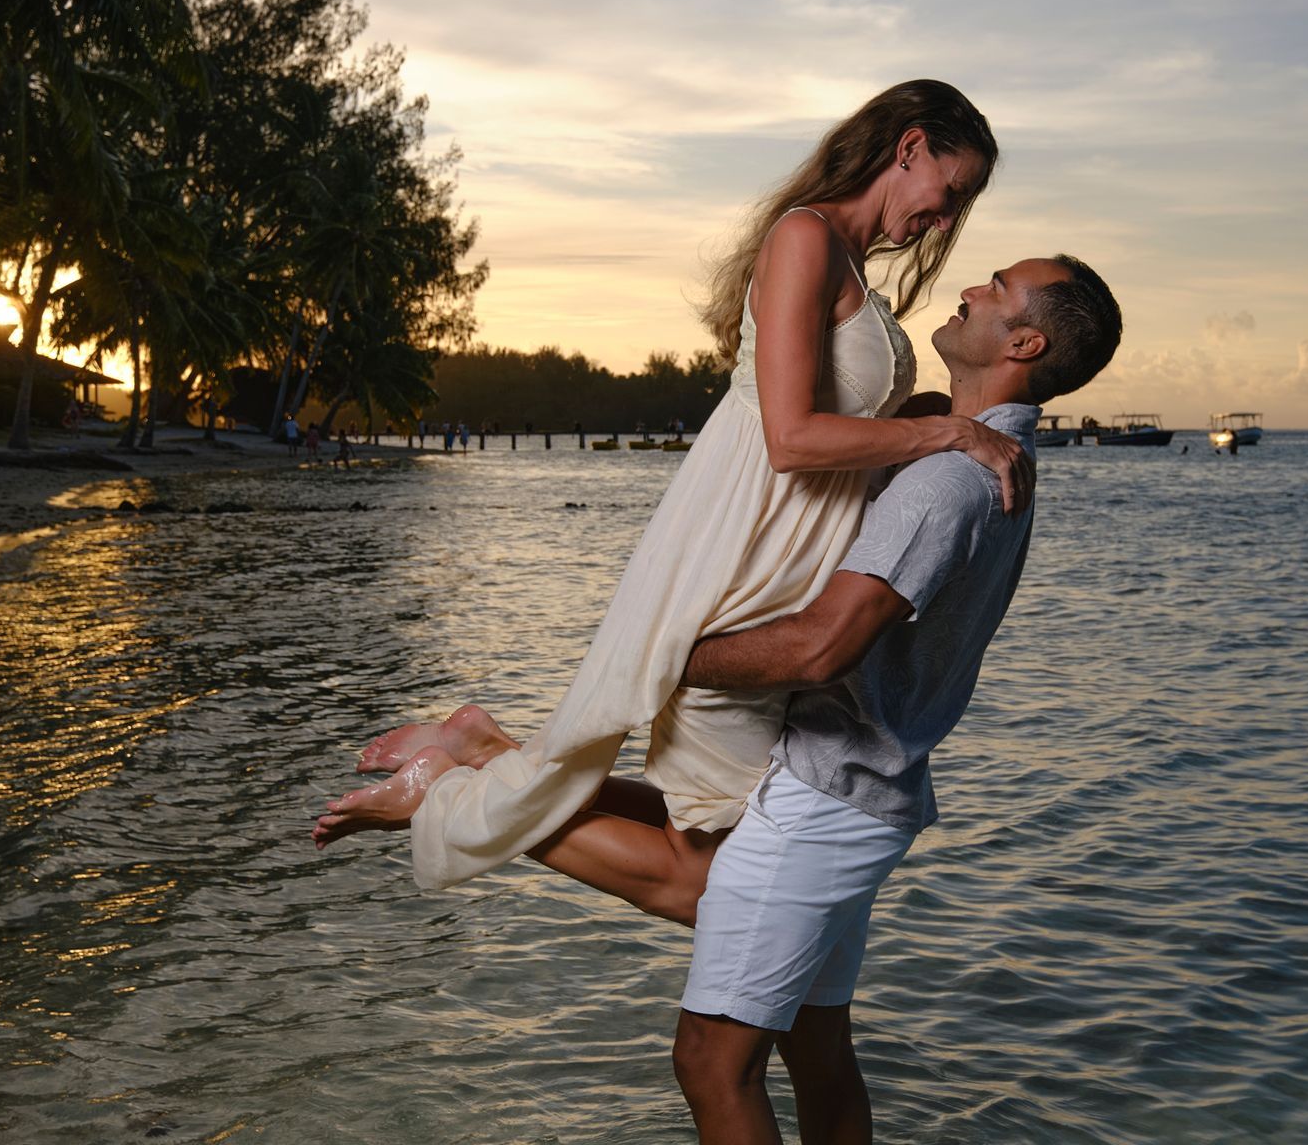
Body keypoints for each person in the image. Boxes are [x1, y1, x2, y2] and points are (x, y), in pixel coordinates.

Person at [322, 255, 1122, 1143]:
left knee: (710, 1055)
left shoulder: (946, 480)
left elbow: (821, 647)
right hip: (862, 781)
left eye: (997, 288)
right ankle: (482, 759)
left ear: (1024, 341)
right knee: (816, 1048)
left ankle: (465, 775)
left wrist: (669, 657)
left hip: (828, 791)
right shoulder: (985, 452)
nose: (970, 286)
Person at [314, 80, 1021, 908]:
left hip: (789, 562)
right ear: (910, 148)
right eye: (951, 192)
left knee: (725, 845)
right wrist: (951, 433)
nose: (945, 220)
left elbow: (851, 415)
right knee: (718, 876)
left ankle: (479, 754)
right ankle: (452, 788)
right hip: (744, 558)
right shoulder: (805, 238)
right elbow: (792, 440)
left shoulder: (850, 264)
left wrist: (957, 416)